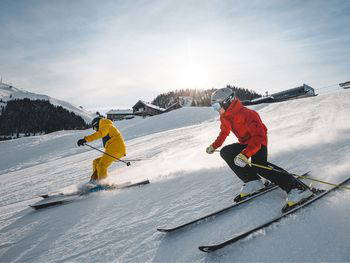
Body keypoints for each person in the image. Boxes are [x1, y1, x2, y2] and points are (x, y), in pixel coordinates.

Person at [206, 87, 313, 209]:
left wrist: (245, 154)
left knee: (259, 165)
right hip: (245, 143)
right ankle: (253, 182)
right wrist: (214, 146)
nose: (216, 110)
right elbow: (224, 132)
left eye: (216, 106)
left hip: (258, 142)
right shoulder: (225, 117)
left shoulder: (248, 114)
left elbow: (258, 137)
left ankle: (298, 189)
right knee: (226, 152)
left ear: (227, 101)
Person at [77, 116, 126, 184]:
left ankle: (103, 183)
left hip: (116, 148)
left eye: (94, 128)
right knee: (96, 162)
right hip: (114, 149)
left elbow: (100, 134)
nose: (95, 130)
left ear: (96, 124)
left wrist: (85, 139)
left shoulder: (106, 125)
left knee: (101, 165)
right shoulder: (106, 125)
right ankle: (95, 181)